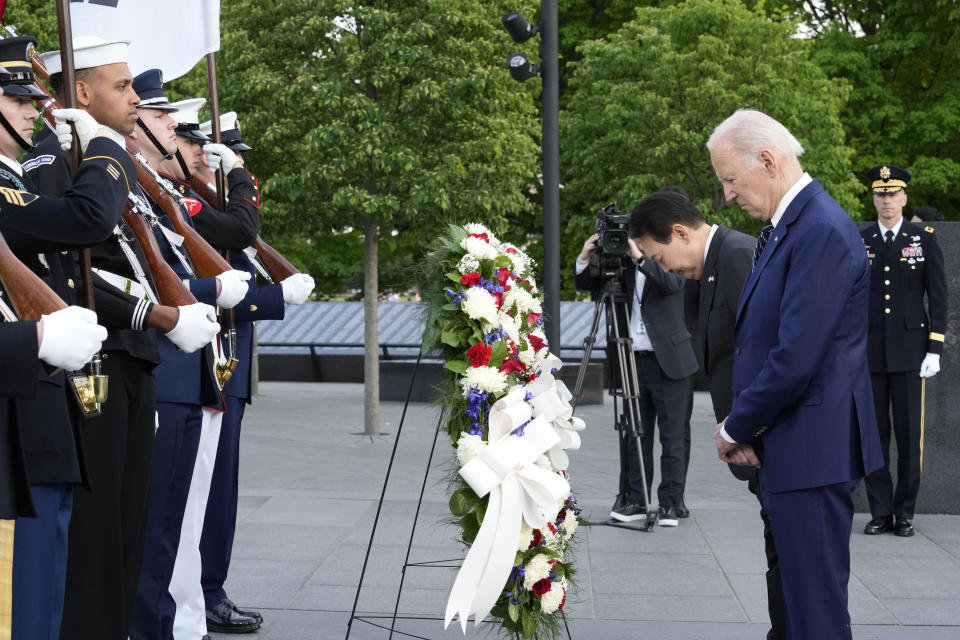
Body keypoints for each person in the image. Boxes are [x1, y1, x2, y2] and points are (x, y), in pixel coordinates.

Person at [26, 38, 220, 640]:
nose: (135, 99)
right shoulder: (58, 163)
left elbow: (135, 252)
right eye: (122, 87)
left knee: (130, 531)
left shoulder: (114, 167)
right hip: (95, 364)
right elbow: (76, 265)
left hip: (131, 363)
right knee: (96, 543)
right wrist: (156, 316)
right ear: (80, 93)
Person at [707, 109, 883, 640]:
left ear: (767, 160)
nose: (729, 196)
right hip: (798, 447)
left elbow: (795, 356)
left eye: (731, 180)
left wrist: (735, 427)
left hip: (811, 450)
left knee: (816, 614)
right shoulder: (792, 226)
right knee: (799, 608)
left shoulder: (819, 228)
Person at [123, 68, 248, 640]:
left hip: (194, 365)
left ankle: (185, 619)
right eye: (159, 116)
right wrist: (203, 295)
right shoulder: (130, 181)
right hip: (162, 364)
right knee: (163, 520)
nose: (175, 130)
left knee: (185, 513)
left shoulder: (160, 188)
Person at [630, 189, 786, 639]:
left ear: (680, 232)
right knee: (778, 554)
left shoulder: (736, 257)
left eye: (659, 257)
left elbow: (766, 355)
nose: (663, 269)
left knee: (788, 560)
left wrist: (746, 430)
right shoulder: (716, 262)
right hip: (753, 439)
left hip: (763, 438)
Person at [195, 111, 314, 633]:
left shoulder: (210, 205)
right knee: (204, 492)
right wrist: (273, 300)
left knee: (222, 492)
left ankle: (210, 586)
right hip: (205, 366)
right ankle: (203, 591)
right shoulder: (185, 206)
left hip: (230, 366)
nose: (213, 159)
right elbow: (209, 286)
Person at [573, 212, 698, 526]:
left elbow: (671, 284)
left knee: (672, 436)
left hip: (671, 361)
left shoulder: (670, 259)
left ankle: (671, 502)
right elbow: (588, 283)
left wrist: (641, 257)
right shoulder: (621, 262)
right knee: (633, 434)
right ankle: (635, 500)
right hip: (632, 359)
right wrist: (586, 255)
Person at [861, 165, 947, 537]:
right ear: (874, 198)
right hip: (870, 351)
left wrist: (935, 348)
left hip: (913, 353)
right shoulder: (861, 239)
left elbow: (939, 297)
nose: (887, 200)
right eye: (881, 194)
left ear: (905, 198)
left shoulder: (923, 237)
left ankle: (905, 512)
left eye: (893, 194)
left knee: (910, 436)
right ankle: (880, 511)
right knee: (874, 434)